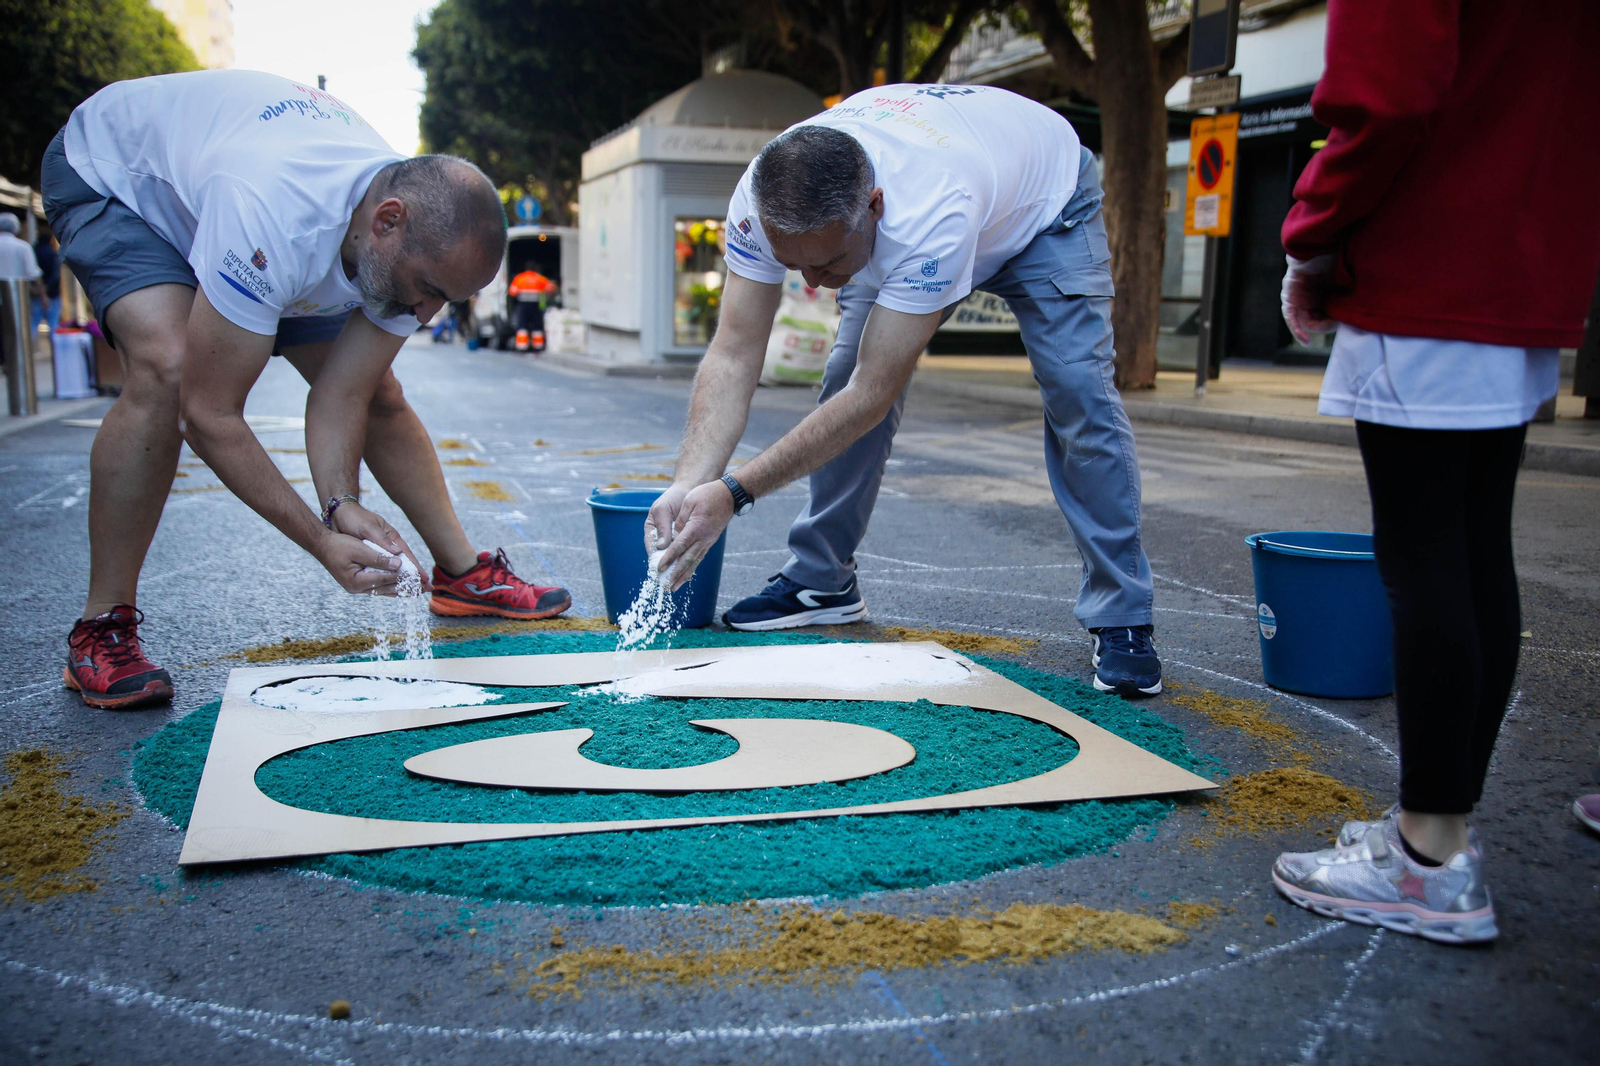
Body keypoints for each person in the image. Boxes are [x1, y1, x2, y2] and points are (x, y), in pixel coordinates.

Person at [44, 70, 571, 711]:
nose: (428, 313)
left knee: (381, 391)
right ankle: (102, 627)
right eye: (428, 288)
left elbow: (344, 393)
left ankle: (461, 574)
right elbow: (209, 415)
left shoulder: (402, 235)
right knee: (170, 368)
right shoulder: (273, 216)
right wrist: (321, 542)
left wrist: (339, 502)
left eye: (449, 300)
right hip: (117, 179)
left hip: (248, 212)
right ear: (386, 222)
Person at [645, 84, 1161, 696]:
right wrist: (687, 480)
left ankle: (1123, 615)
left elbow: (873, 394)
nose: (812, 284)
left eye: (828, 265)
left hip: (1044, 207)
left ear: (875, 207)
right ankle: (822, 581)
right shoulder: (762, 198)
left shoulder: (930, 214)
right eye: (794, 266)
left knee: (1078, 390)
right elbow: (733, 353)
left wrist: (733, 491)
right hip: (944, 186)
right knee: (838, 375)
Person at [1271, 0, 1600, 944]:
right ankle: (1441, 831)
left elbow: (1385, 97)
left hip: (1432, 257)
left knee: (1425, 560)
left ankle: (1428, 858)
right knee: (1473, 547)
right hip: (1528, 262)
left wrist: (1312, 231)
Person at [508, 266, 556, 352]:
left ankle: (522, 346)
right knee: (537, 325)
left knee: (522, 325)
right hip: (536, 306)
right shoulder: (540, 278)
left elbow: (512, 292)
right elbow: (550, 289)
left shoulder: (520, 278)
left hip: (523, 305)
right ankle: (538, 346)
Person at [31, 225, 61, 337]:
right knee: (53, 324)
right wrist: (47, 287)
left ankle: (30, 350)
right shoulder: (52, 254)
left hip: (35, 293)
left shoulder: (33, 252)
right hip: (52, 293)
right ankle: (55, 352)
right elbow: (55, 274)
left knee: (33, 323)